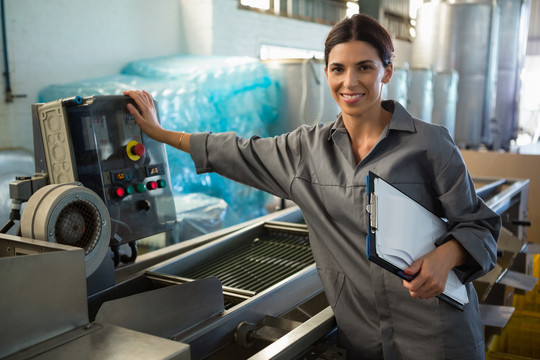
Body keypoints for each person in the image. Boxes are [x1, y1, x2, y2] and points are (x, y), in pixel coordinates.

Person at [124, 13, 500, 360]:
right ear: (325, 73)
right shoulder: (305, 150)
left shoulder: (429, 144)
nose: (349, 82)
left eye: (364, 68)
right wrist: (159, 133)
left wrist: (446, 256)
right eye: (338, 69)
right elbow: (236, 151)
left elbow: (480, 226)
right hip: (365, 342)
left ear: (387, 71)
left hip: (439, 339)